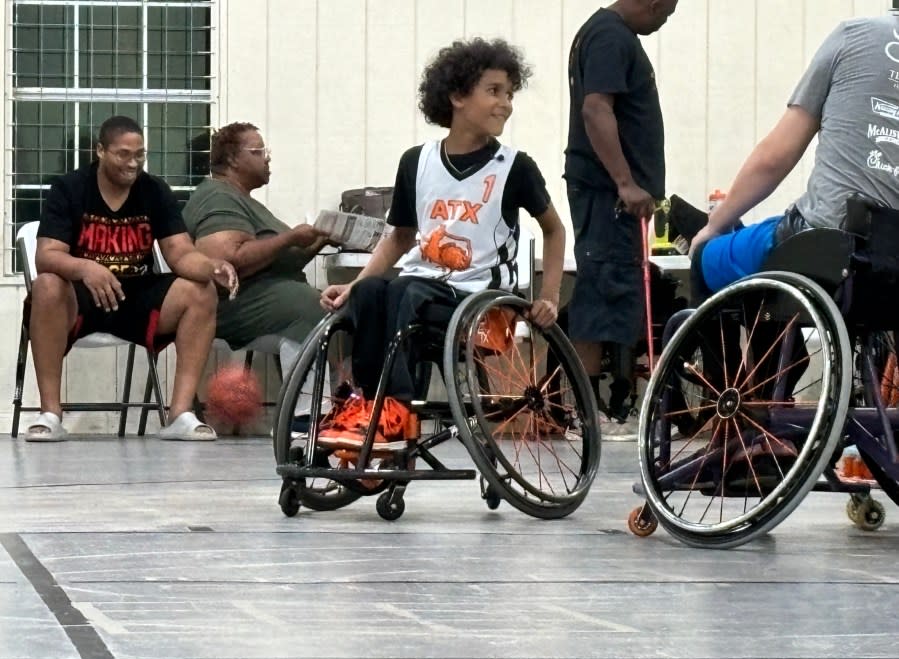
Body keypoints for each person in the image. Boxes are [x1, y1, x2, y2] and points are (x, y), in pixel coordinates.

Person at [318, 37, 566, 450]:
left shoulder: (515, 167)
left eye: (509, 93)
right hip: (421, 290)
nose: (505, 103)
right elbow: (398, 237)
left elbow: (555, 230)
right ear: (456, 96)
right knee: (371, 293)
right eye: (493, 91)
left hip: (482, 303)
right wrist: (354, 285)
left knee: (405, 289)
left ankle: (393, 411)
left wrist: (551, 296)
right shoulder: (416, 162)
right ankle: (369, 403)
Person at [26, 115, 238, 442]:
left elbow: (179, 252)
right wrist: (86, 268)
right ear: (100, 151)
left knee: (200, 290)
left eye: (140, 155)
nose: (133, 163)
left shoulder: (154, 190)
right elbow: (46, 256)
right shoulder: (69, 188)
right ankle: (51, 414)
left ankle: (180, 414)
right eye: (123, 154)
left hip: (135, 294)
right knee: (47, 285)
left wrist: (211, 266)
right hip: (82, 295)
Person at [689, 11, 899, 298]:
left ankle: (756, 342)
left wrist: (715, 224)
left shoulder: (854, 36)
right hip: (891, 259)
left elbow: (774, 158)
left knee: (707, 257)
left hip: (831, 241)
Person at [564, 0, 678, 431]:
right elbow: (595, 109)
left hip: (615, 197)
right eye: (663, 15)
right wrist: (625, 182)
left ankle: (603, 403)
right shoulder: (611, 37)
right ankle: (588, 411)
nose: (662, 23)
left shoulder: (606, 34)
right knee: (601, 291)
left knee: (615, 292)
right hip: (607, 194)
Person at [182, 123, 328, 369]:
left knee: (342, 300)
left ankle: (337, 396)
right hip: (230, 307)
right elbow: (227, 264)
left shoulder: (241, 199)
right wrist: (289, 237)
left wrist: (322, 239)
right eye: (259, 151)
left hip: (263, 297)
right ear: (232, 159)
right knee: (308, 303)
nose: (267, 159)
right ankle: (309, 405)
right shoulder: (217, 196)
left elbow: (279, 259)